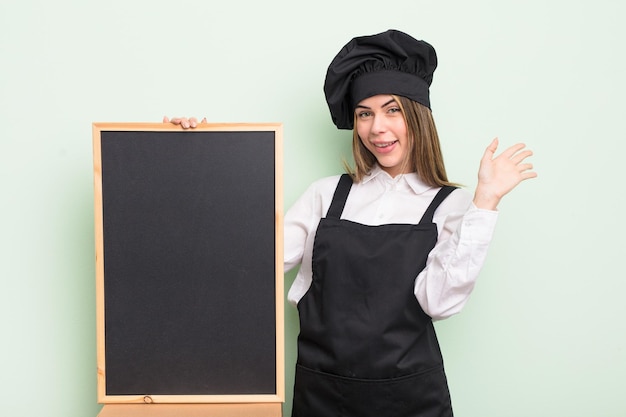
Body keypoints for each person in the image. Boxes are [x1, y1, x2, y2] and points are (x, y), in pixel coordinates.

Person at [167, 29, 536, 417]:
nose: (377, 127)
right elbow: (245, 266)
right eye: (365, 113)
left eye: (392, 110)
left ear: (418, 116)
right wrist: (196, 157)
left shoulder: (453, 204)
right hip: (323, 396)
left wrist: (486, 201)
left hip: (412, 400)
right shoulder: (324, 196)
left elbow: (439, 302)